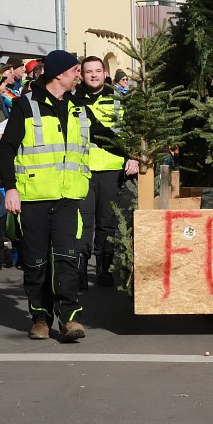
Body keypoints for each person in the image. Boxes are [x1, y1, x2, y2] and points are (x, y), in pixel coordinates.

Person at [0, 50, 108, 342]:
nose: (79, 75)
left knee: (67, 258)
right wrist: (10, 189)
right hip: (33, 197)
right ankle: (40, 319)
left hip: (68, 197)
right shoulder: (26, 105)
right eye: (75, 70)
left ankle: (70, 319)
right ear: (60, 73)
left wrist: (134, 150)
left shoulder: (78, 106)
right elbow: (6, 149)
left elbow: (104, 135)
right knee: (35, 262)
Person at [74, 56, 139, 288]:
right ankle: (80, 271)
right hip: (81, 169)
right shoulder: (72, 101)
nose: (93, 75)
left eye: (98, 71)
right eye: (88, 71)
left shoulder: (119, 100)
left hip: (112, 169)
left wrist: (133, 156)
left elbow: (134, 132)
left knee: (107, 222)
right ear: (81, 75)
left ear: (105, 74)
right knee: (82, 223)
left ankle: (103, 270)